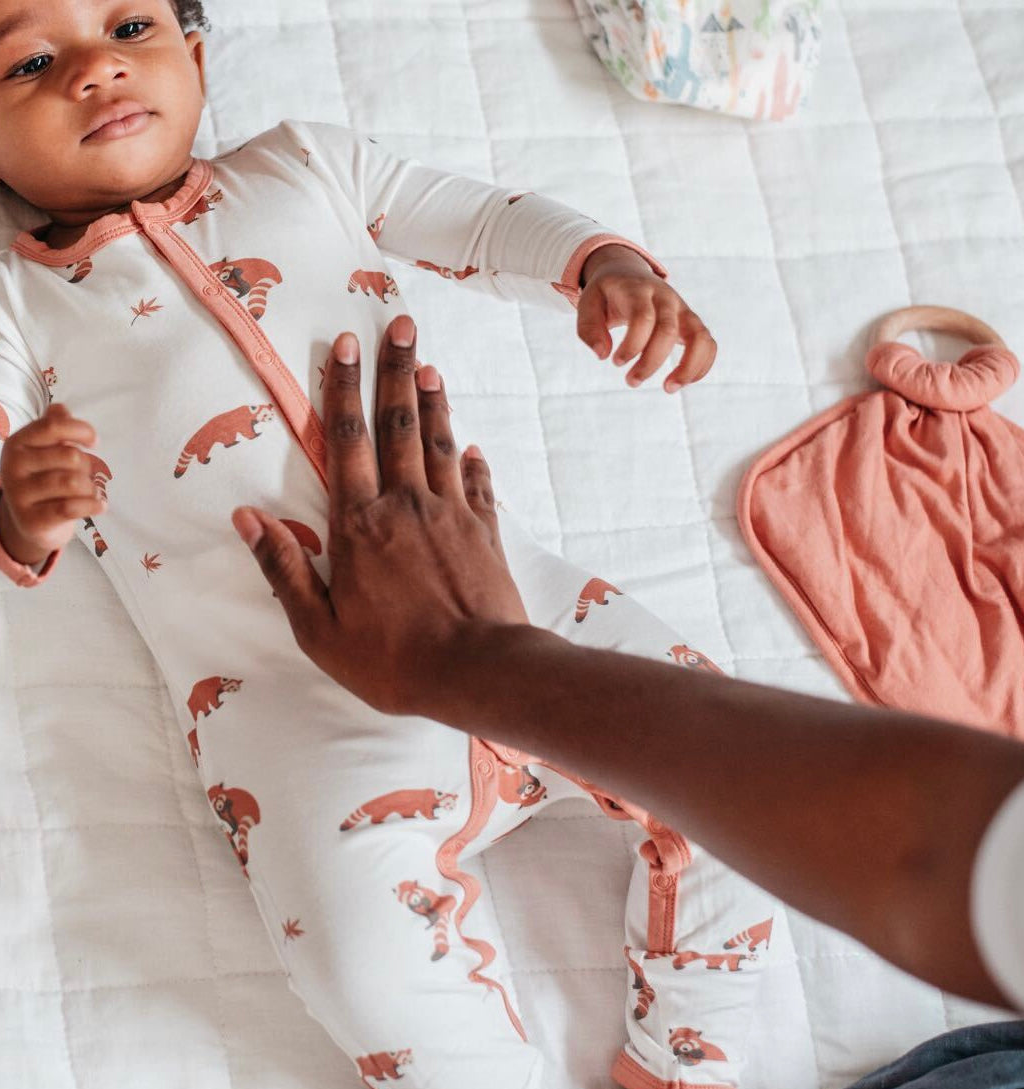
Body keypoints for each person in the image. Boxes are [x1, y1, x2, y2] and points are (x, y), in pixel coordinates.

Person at [0, 0, 780, 1089]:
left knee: (743, 770)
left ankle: (686, 1071)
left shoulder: (308, 168)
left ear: (196, 54)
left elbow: (484, 219)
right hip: (298, 710)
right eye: (34, 63)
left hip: (506, 597)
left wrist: (598, 265)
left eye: (131, 28)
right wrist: (7, 505)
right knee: (373, 982)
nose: (97, 74)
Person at [230, 316, 1024, 1031]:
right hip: (367, 679)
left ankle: (681, 1068)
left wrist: (599, 260)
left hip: (489, 622)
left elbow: (927, 849)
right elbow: (928, 847)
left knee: (729, 845)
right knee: (364, 968)